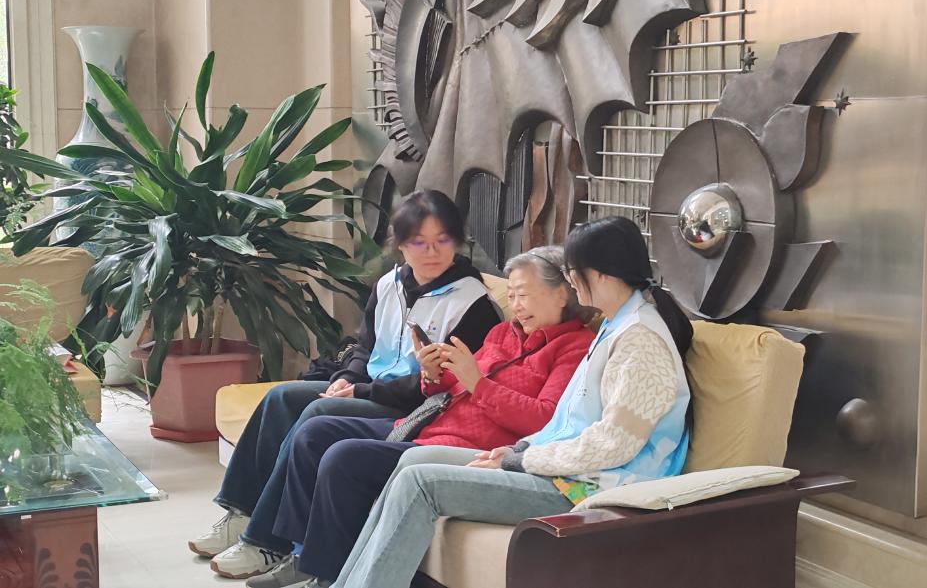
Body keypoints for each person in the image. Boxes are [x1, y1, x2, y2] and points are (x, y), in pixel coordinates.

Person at [302, 216, 694, 588]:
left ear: (601, 274)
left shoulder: (640, 340)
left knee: (421, 483)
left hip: (593, 488)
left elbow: (613, 445)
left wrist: (521, 459)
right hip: (563, 470)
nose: (571, 283)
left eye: (573, 272)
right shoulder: (616, 324)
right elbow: (568, 422)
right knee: (411, 466)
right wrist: (518, 450)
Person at [189, 189, 502, 579]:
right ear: (400, 244)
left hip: (415, 404)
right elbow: (365, 345)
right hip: (371, 386)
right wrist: (346, 377)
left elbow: (449, 386)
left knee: (319, 412)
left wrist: (362, 390)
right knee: (281, 397)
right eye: (419, 242)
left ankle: (266, 541)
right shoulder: (390, 284)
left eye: (443, 240)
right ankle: (240, 512)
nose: (432, 252)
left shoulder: (473, 303)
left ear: (457, 241)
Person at [250, 246, 596, 588]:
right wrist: (432, 374)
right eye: (512, 295)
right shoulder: (503, 333)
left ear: (562, 294)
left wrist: (477, 384)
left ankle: (325, 574)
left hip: (467, 446)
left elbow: (544, 420)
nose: (516, 305)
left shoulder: (576, 347)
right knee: (315, 433)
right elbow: (452, 385)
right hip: (427, 422)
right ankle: (299, 556)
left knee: (344, 458)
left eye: (524, 295)